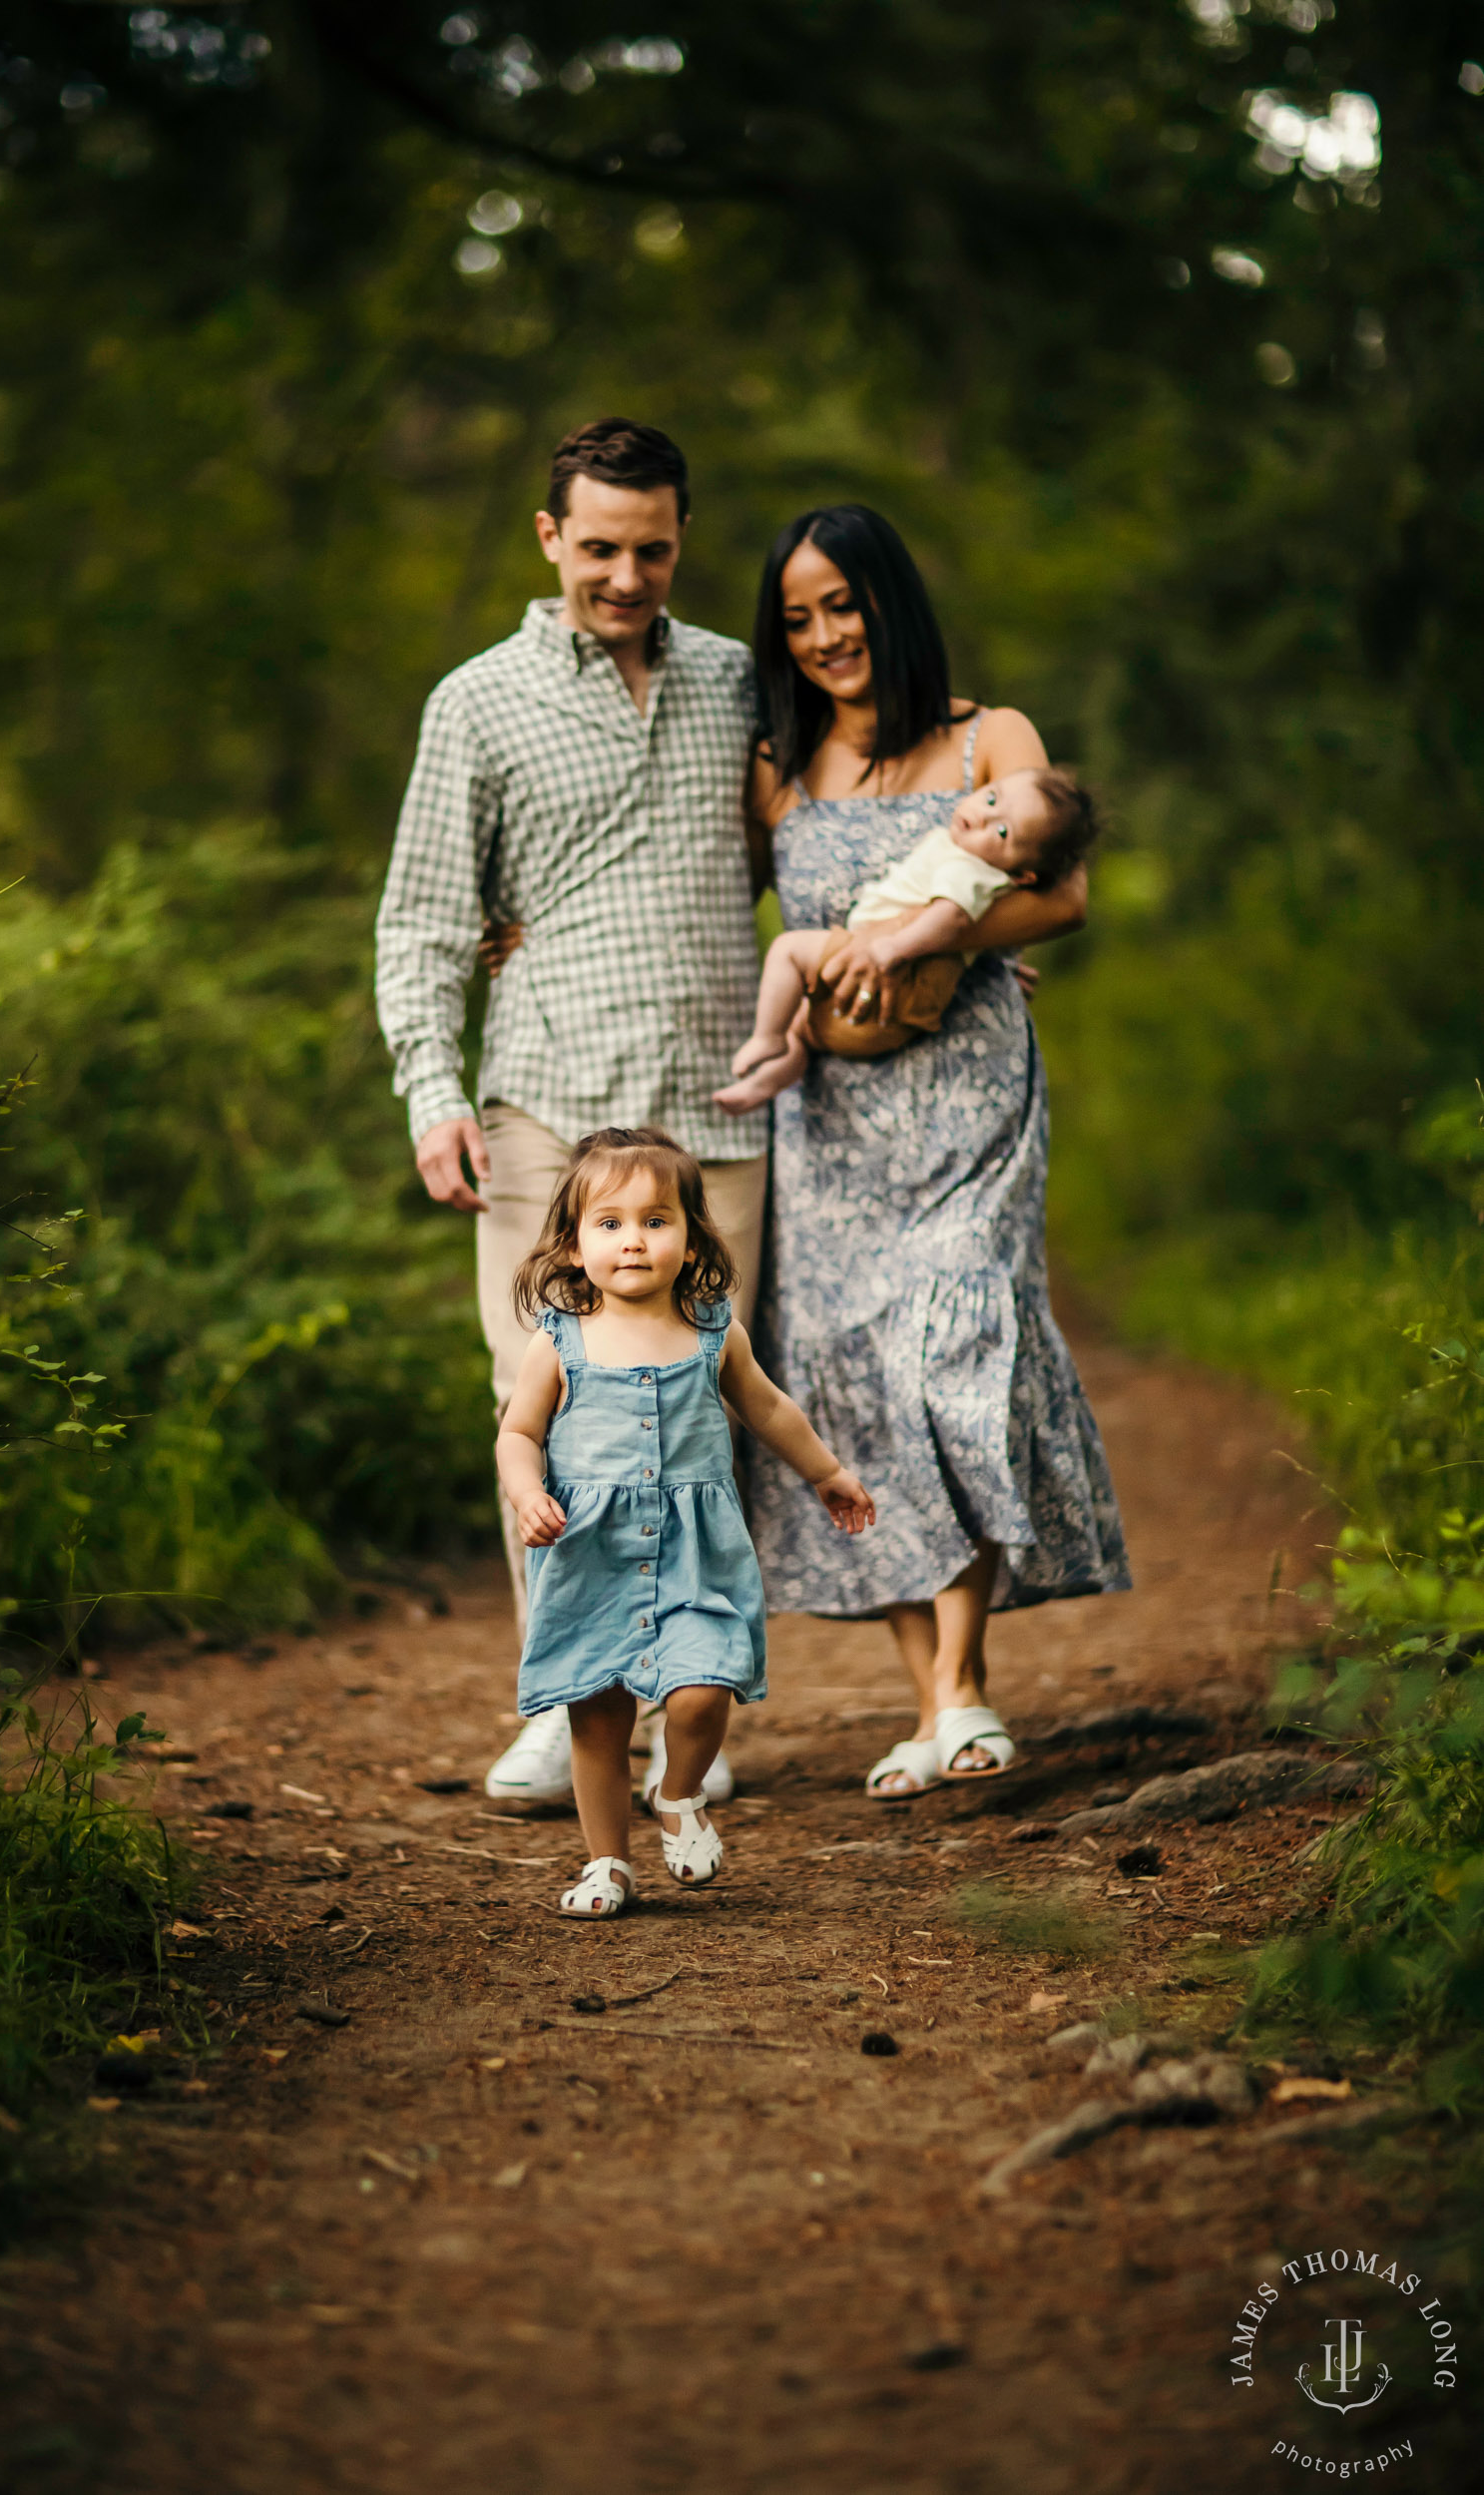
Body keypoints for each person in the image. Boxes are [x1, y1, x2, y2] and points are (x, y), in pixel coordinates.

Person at [375, 418, 766, 1812]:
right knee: (543, 1405)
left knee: (699, 1413)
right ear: (550, 539)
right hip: (547, 1103)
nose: (624, 574)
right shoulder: (474, 700)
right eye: (597, 546)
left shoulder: (736, 677)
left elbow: (823, 829)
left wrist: (948, 932)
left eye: (649, 549)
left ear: (679, 540)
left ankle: (685, 1715)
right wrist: (432, 1088)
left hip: (718, 1108)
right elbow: (425, 917)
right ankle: (564, 1694)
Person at [743, 504, 1131, 1796]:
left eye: (840, 606)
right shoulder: (779, 765)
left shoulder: (987, 736)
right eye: (795, 618)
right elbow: (711, 897)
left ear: (887, 602)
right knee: (855, 1385)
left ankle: (963, 1688)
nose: (821, 637)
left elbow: (1062, 895)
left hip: (965, 1101)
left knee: (951, 1349)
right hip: (830, 1127)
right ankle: (929, 1702)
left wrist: (916, 941)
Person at [497, 1127, 873, 1916]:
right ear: (570, 1246)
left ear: (690, 1236)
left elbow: (767, 1406)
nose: (632, 1241)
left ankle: (677, 1793)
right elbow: (517, 1433)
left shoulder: (711, 1330)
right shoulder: (556, 1342)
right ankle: (607, 1864)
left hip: (695, 1554)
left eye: (654, 1220)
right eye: (609, 1224)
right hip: (590, 1553)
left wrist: (826, 1473)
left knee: (704, 1691)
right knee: (596, 1716)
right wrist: (527, 1492)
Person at [715, 765, 1098, 1111]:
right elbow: (973, 933)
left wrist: (893, 948)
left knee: (787, 950)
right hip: (901, 998)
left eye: (1001, 831)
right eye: (991, 797)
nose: (982, 815)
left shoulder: (968, 869)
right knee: (805, 1029)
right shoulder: (983, 871)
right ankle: (767, 1081)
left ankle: (767, 1038)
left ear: (1023, 876)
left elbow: (949, 921)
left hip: (898, 974)